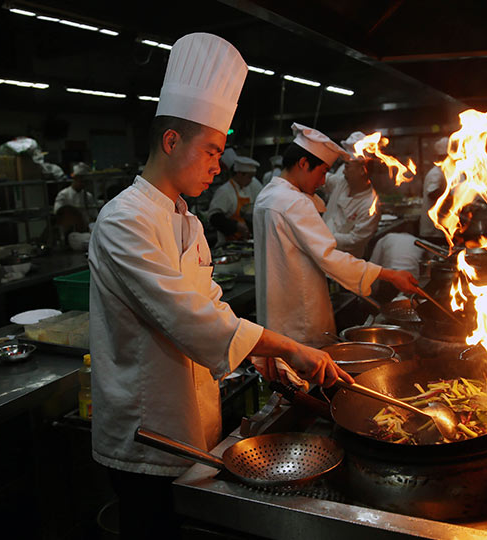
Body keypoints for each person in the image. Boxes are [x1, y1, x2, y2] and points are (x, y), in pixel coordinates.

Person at [88, 33, 352, 540]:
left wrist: (257, 354)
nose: (218, 165)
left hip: (191, 425)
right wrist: (287, 346)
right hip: (145, 437)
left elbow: (209, 301)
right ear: (171, 141)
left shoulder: (184, 218)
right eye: (210, 151)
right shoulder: (124, 219)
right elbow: (190, 316)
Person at [253, 123, 420, 348]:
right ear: (303, 163)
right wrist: (390, 274)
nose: (323, 182)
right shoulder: (293, 202)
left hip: (277, 316)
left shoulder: (268, 194)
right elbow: (330, 257)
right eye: (322, 172)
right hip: (299, 321)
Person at [322, 155, 380, 258]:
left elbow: (355, 240)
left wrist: (323, 236)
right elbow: (325, 180)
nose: (344, 172)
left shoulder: (370, 205)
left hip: (342, 262)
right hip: (319, 252)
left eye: (347, 167)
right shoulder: (343, 182)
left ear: (362, 170)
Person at [208, 156, 263, 245]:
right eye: (249, 177)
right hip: (227, 244)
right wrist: (236, 226)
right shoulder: (225, 191)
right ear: (239, 174)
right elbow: (214, 218)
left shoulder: (247, 189)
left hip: (243, 242)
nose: (251, 181)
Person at [419, 136, 449, 242]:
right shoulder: (436, 173)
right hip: (432, 231)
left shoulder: (445, 172)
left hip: (440, 227)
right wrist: (452, 197)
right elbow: (432, 193)